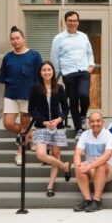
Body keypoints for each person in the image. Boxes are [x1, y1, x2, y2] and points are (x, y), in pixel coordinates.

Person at [28, 61, 72, 197]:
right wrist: (44, 121)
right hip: (42, 127)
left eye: (49, 70)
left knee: (55, 155)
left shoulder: (59, 87)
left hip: (57, 127)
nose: (47, 72)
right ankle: (64, 166)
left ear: (53, 71)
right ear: (40, 73)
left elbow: (65, 108)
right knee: (41, 154)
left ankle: (50, 185)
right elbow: (31, 109)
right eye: (44, 70)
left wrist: (59, 119)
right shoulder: (35, 88)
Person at [0, 26, 42, 166]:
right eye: (12, 39)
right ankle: (32, 135)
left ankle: (20, 153)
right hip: (11, 94)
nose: (15, 41)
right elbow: (3, 77)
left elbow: (39, 77)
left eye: (17, 38)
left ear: (23, 39)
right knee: (8, 123)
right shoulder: (8, 57)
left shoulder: (34, 55)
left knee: (24, 125)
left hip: (28, 95)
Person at [50, 11, 94, 139]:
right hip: (68, 73)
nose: (72, 23)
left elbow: (89, 52)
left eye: (75, 20)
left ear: (78, 22)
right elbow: (54, 57)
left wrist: (90, 66)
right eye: (70, 20)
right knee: (73, 102)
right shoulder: (58, 38)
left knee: (84, 95)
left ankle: (83, 115)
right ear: (66, 21)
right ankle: (78, 130)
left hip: (83, 72)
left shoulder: (83, 36)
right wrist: (56, 76)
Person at [73, 112, 112, 212]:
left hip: (109, 169)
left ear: (103, 122)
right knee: (79, 165)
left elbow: (106, 157)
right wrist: (79, 166)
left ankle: (97, 201)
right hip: (91, 169)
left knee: (101, 166)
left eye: (98, 121)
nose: (95, 124)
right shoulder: (85, 135)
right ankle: (87, 200)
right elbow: (77, 154)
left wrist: (88, 167)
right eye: (92, 121)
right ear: (89, 123)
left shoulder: (109, 136)